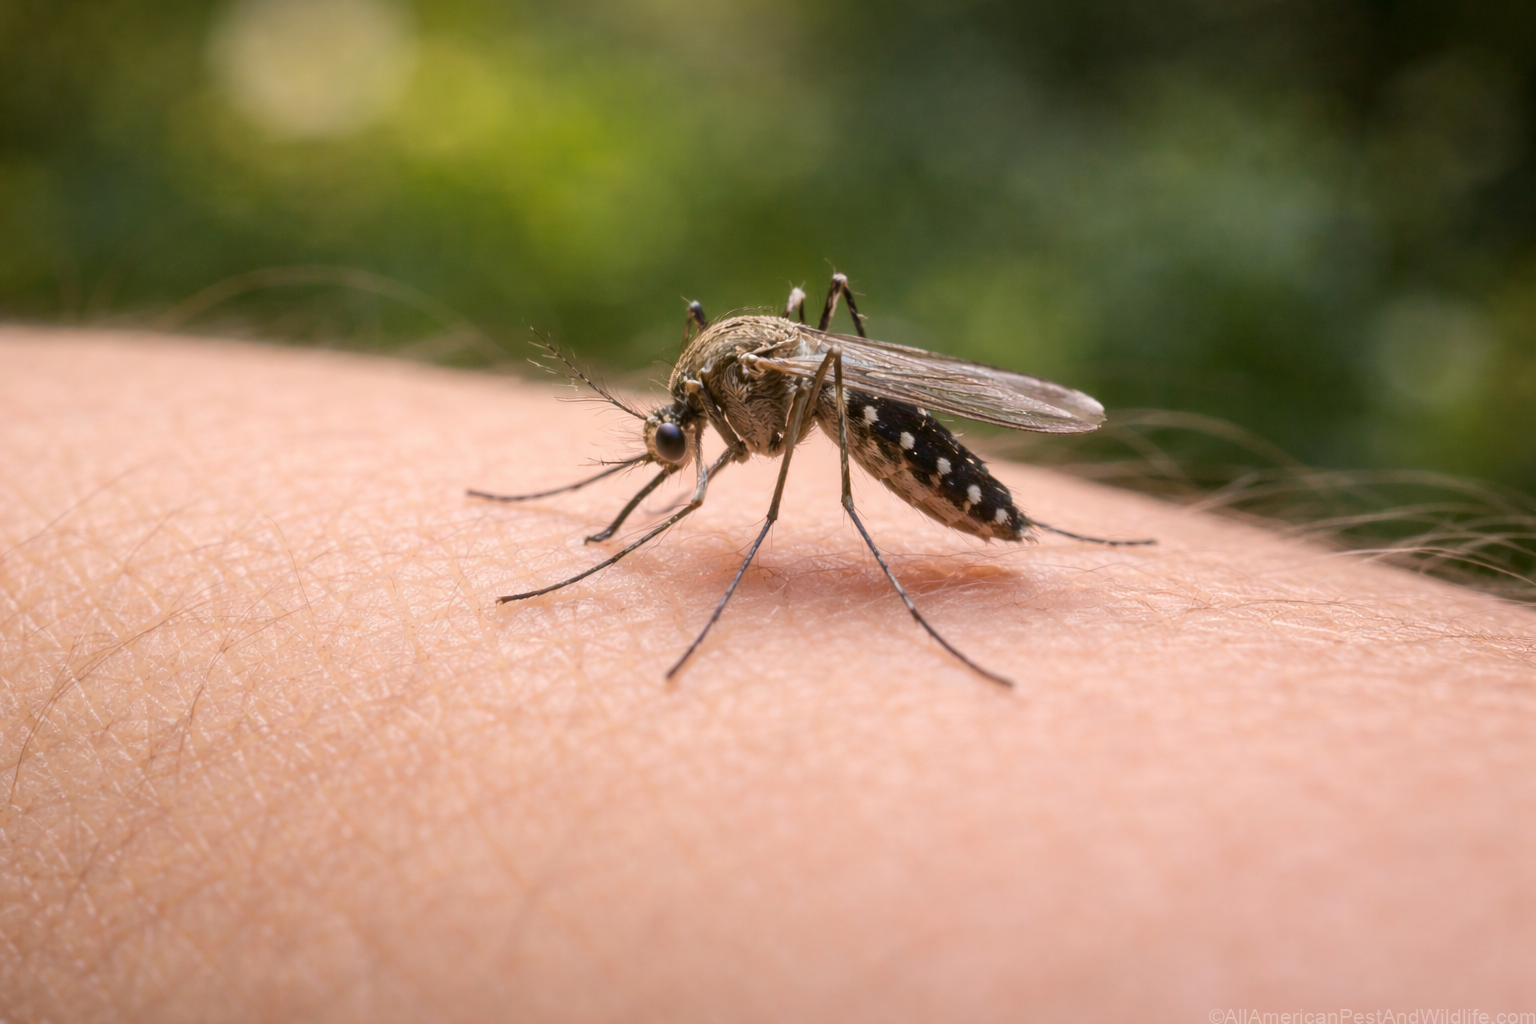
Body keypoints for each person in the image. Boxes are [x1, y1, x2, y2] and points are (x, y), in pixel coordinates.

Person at [4, 326, 1533, 1022]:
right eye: (688, 422)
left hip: (898, 442)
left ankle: (983, 541)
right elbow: (681, 459)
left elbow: (755, 451)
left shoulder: (751, 385)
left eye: (677, 427)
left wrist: (810, 442)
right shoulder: (705, 387)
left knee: (845, 472)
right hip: (829, 383)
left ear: (706, 393)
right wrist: (598, 518)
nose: (680, 446)